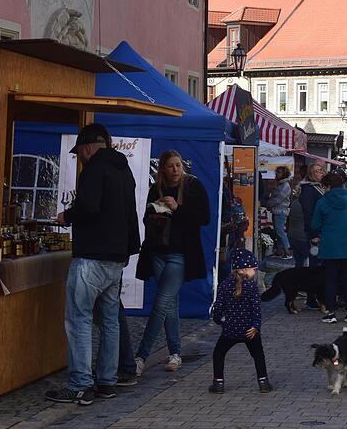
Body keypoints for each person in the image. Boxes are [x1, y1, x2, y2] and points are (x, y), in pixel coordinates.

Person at [46, 124, 139, 405]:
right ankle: (107, 382)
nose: (80, 158)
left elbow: (88, 207)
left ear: (87, 148)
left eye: (80, 153)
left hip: (92, 257)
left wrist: (67, 216)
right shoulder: (124, 169)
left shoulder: (95, 169)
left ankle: (80, 385)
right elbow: (129, 212)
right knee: (109, 322)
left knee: (79, 319)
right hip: (117, 257)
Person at [135, 150, 211, 376]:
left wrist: (177, 208)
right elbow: (146, 219)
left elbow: (204, 218)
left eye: (178, 165)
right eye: (171, 166)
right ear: (163, 169)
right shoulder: (155, 188)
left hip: (180, 253)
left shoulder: (192, 186)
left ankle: (141, 356)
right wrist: (157, 211)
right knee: (170, 304)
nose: (176, 170)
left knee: (161, 303)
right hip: (157, 252)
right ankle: (175, 353)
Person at [209, 249, 273, 394]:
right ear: (244, 269)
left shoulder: (224, 285)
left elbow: (218, 307)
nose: (255, 272)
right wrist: (256, 325)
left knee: (219, 353)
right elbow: (256, 309)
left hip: (230, 330)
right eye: (254, 269)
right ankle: (263, 382)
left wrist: (219, 321)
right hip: (250, 330)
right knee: (258, 355)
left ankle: (218, 383)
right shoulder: (252, 287)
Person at [311, 170, 347, 324]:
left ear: (328, 186)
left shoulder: (322, 202)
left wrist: (320, 232)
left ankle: (331, 312)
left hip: (330, 246)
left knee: (331, 280)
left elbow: (314, 224)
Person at [298, 163, 326, 309]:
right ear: (311, 173)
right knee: (314, 265)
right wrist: (313, 234)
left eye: (321, 170)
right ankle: (311, 297)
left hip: (322, 230)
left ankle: (318, 295)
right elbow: (308, 213)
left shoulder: (321, 187)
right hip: (314, 232)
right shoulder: (308, 189)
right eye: (317, 171)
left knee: (320, 264)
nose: (320, 173)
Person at [266, 166, 293, 260]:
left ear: (284, 174)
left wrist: (268, 204)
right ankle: (279, 251)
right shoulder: (280, 184)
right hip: (277, 210)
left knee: (280, 231)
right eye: (277, 172)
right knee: (278, 231)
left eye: (279, 172)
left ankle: (287, 251)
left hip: (280, 211)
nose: (277, 174)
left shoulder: (285, 185)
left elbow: (278, 199)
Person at [287, 191, 308, 268]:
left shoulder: (294, 203)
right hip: (303, 236)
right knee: (305, 260)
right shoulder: (306, 204)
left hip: (293, 235)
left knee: (298, 260)